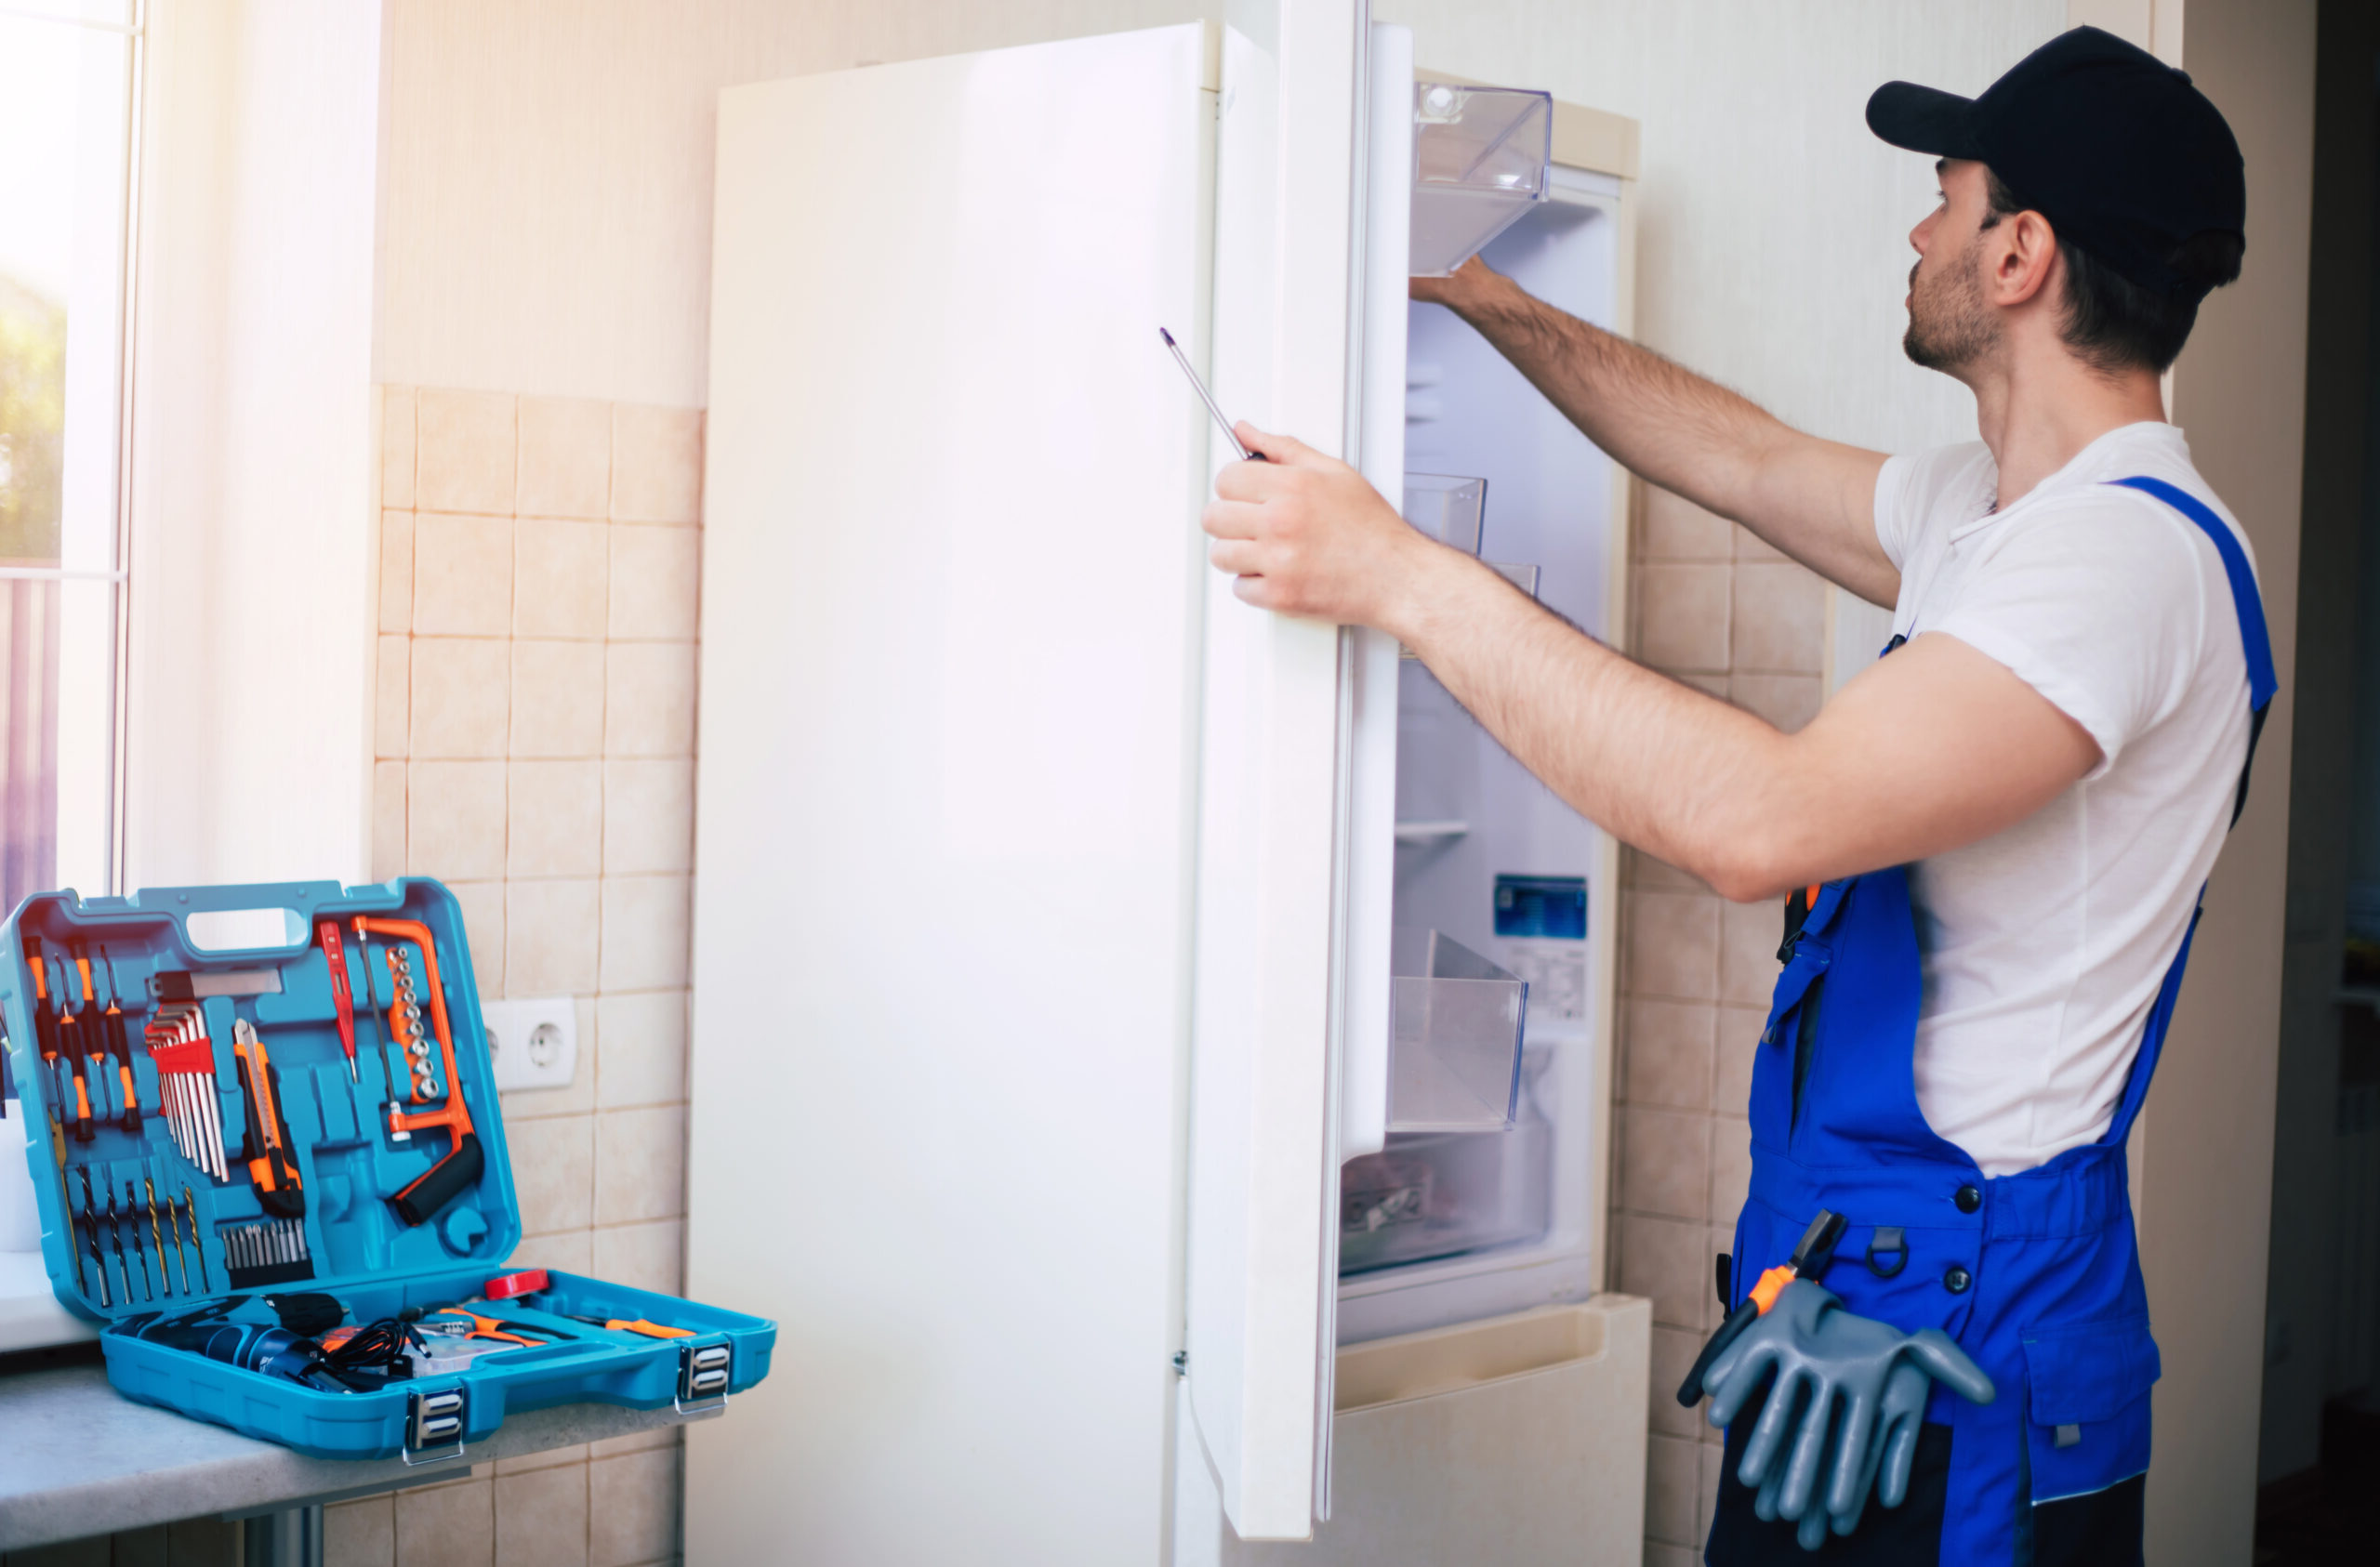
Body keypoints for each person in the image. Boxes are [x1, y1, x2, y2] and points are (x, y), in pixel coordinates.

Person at [1200, 26, 2256, 1567]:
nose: (1916, 226)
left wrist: (1397, 574)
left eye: (1945, 194)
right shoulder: (1998, 511)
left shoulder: (2125, 559)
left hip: (1978, 1344)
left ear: (2021, 254)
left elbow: (1763, 823)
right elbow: (1744, 461)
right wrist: (1479, 291)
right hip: (1852, 1287)